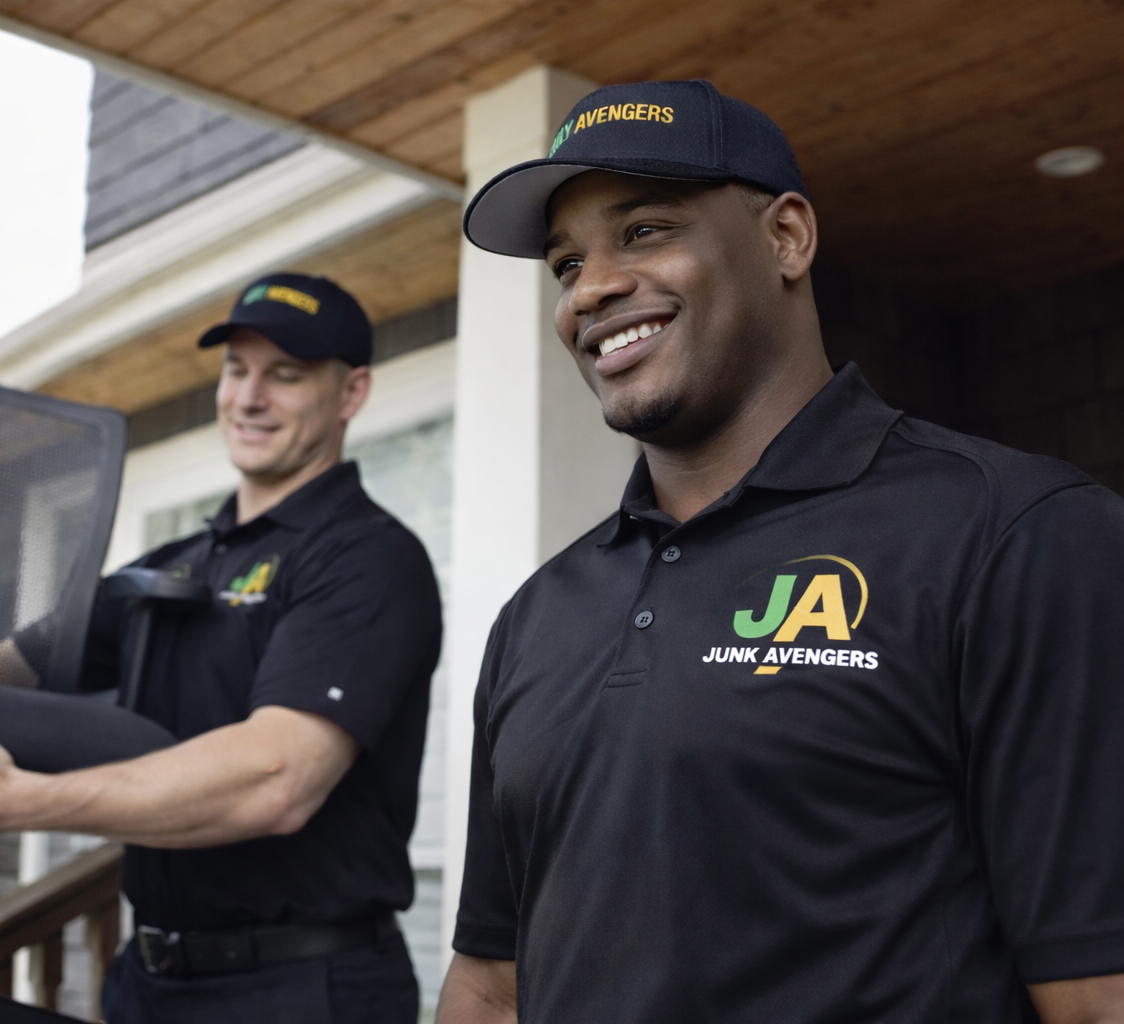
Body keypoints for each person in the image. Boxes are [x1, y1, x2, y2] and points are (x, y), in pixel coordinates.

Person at [435, 79, 1124, 1023]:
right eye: (564, 264)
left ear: (787, 238)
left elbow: (1094, 993)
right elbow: (490, 986)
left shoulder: (1020, 534)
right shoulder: (538, 616)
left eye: (643, 232)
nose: (590, 289)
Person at [0, 272, 443, 1024]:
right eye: (236, 369)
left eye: (284, 376)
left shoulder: (366, 557)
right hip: (148, 981)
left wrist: (25, 802)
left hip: (304, 989)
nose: (249, 397)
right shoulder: (170, 565)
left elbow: (277, 779)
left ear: (351, 393)